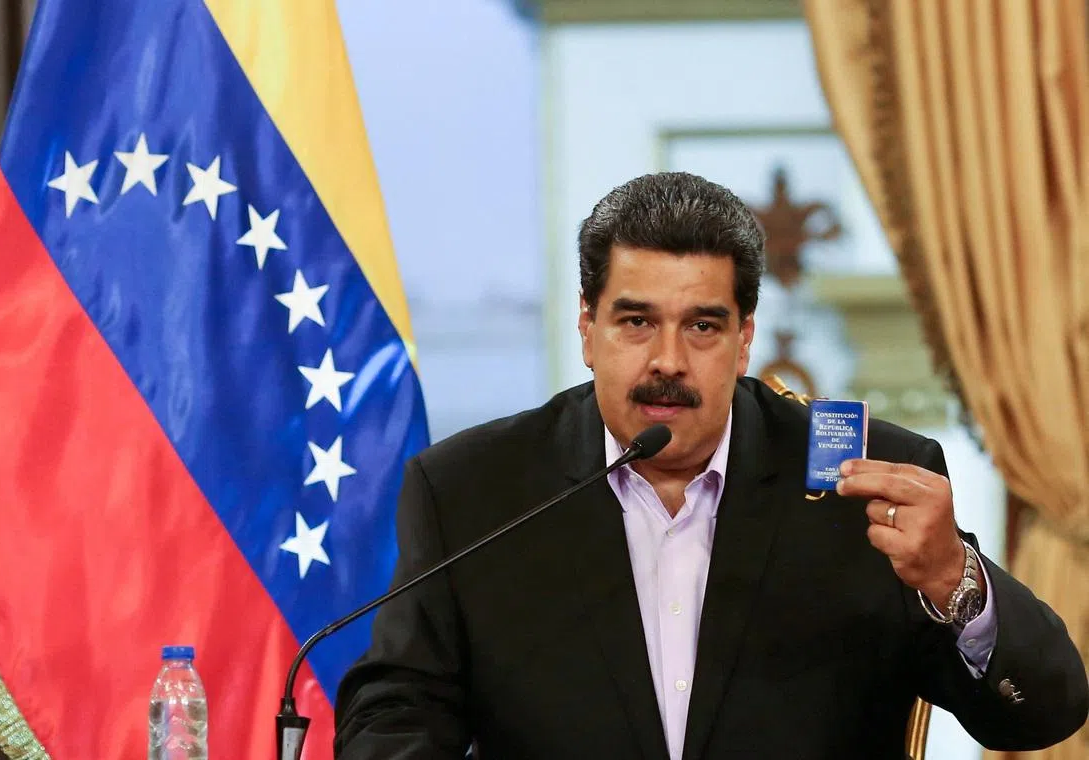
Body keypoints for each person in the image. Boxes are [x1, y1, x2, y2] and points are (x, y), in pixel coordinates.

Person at [333, 172, 1088, 759]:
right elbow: (398, 709)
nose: (668, 361)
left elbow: (1047, 708)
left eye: (702, 326)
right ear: (588, 328)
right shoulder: (475, 489)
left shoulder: (871, 481)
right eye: (636, 322)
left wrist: (954, 579)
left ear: (744, 338)